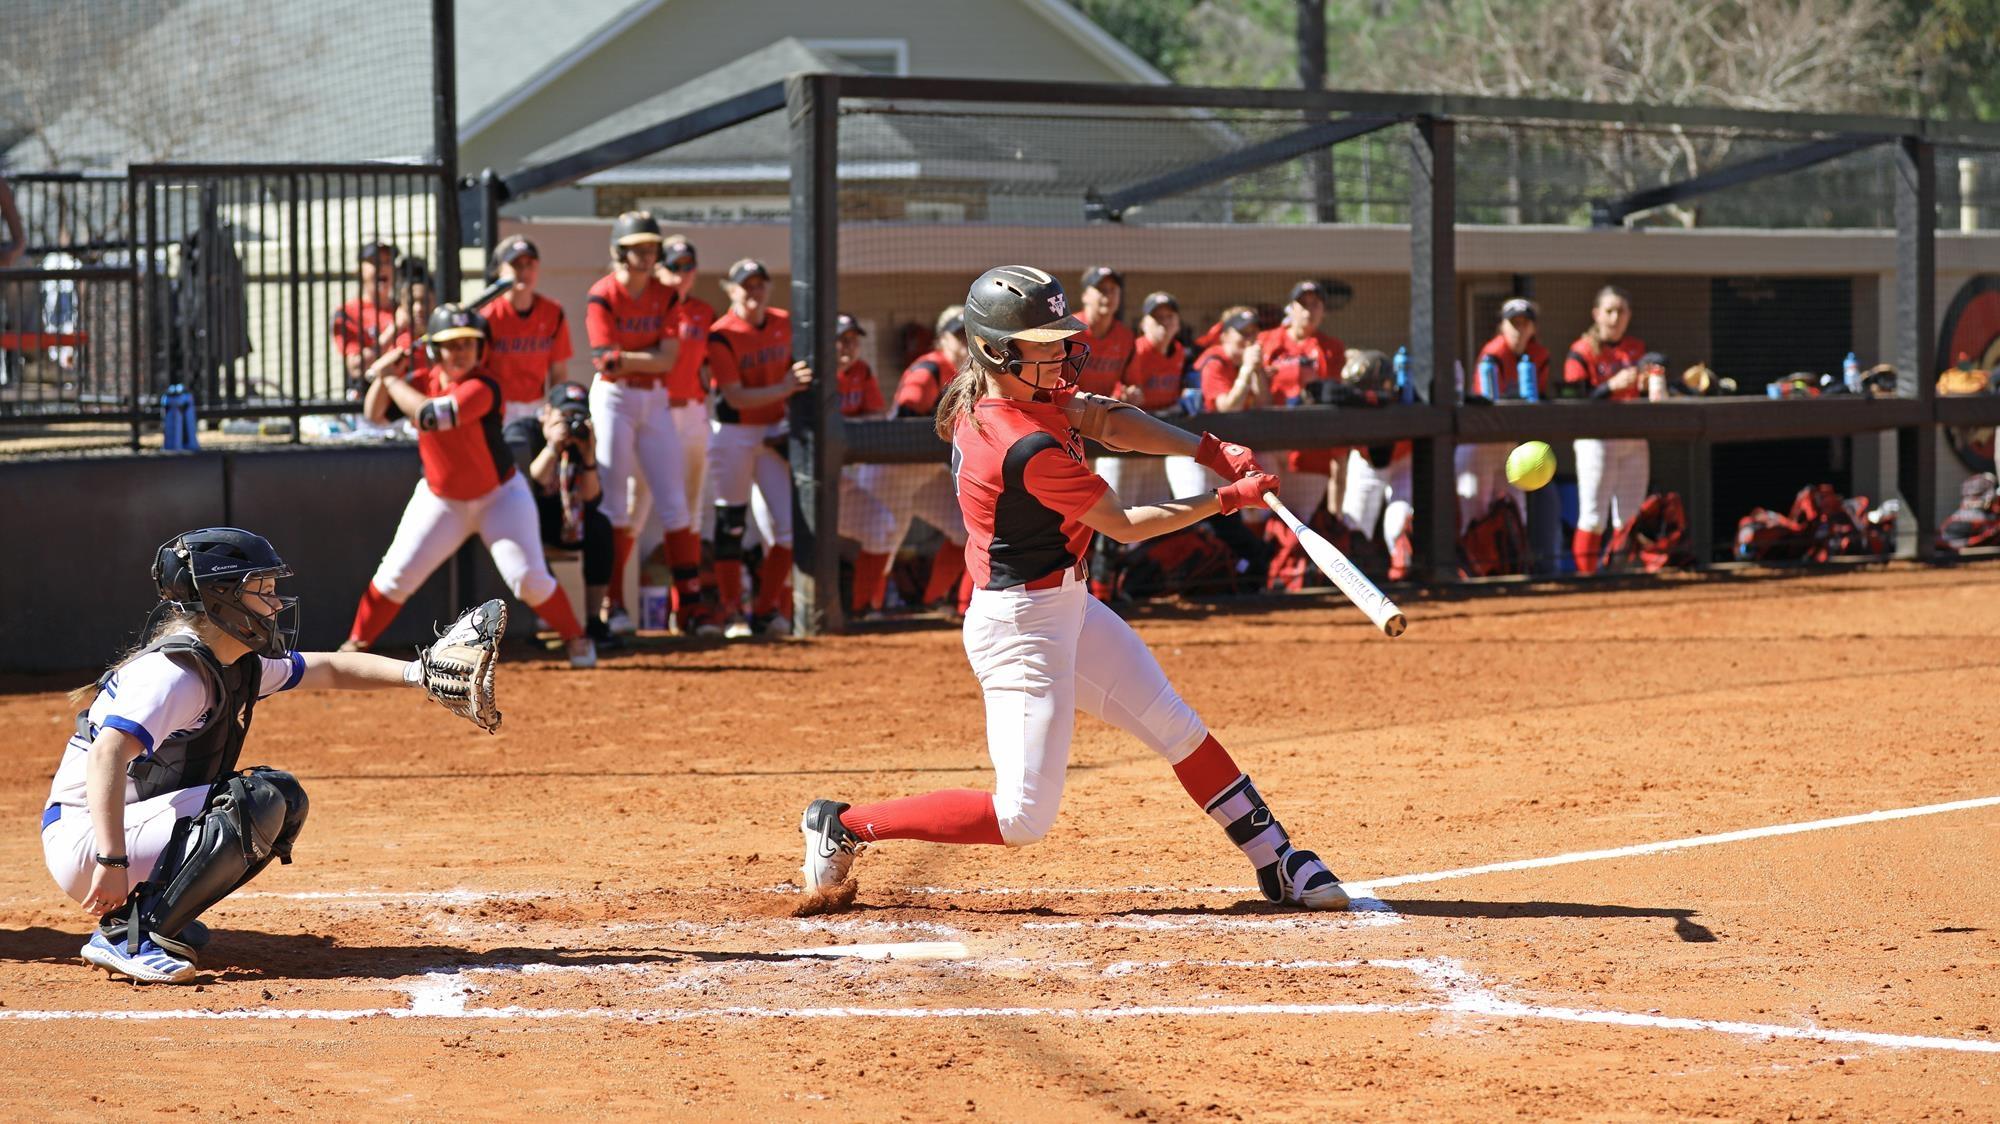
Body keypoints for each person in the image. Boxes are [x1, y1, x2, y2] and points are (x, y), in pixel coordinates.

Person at [798, 265, 1349, 914]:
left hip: (1070, 607)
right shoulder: (1020, 443)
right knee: (1022, 816)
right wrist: (1225, 498)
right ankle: (843, 824)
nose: (1061, 353)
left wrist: (1209, 448)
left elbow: (1109, 420)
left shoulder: (1020, 396)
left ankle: (1277, 860)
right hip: (1021, 629)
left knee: (1176, 726)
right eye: (1044, 342)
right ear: (997, 352)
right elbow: (1125, 524)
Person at [42, 528, 500, 983]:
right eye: (262, 589)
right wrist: (112, 861)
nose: (277, 603)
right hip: (91, 840)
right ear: (220, 597)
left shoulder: (228, 660)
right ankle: (131, 937)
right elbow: (106, 755)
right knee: (253, 802)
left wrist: (418, 673)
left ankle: (153, 910)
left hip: (125, 823)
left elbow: (329, 667)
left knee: (283, 797)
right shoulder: (173, 675)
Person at [341, 303, 596, 667]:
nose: (460, 352)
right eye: (450, 344)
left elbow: (432, 417)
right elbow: (374, 414)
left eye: (467, 343)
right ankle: (355, 646)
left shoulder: (484, 385)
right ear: (435, 350)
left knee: (529, 580)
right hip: (440, 499)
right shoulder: (421, 380)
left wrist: (391, 380)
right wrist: (384, 377)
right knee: (395, 576)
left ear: (480, 348)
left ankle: (576, 639)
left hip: (499, 497)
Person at [585, 212, 703, 634]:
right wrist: (645, 356)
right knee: (614, 501)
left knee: (674, 500)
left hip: (654, 397)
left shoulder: (665, 294)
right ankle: (612, 604)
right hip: (614, 397)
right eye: (638, 247)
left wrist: (630, 357)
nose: (648, 254)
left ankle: (690, 607)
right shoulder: (602, 293)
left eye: (651, 246)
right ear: (620, 250)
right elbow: (604, 360)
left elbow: (669, 359)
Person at [706, 257, 814, 638]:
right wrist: (785, 388)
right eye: (745, 285)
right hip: (733, 432)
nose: (753, 292)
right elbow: (735, 397)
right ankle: (731, 610)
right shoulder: (721, 334)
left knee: (788, 529)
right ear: (731, 290)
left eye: (759, 284)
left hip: (772, 430)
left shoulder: (785, 322)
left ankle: (766, 609)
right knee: (731, 522)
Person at [865, 304, 974, 615]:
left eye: (968, 334)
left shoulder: (973, 374)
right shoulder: (929, 369)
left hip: (928, 474)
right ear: (941, 339)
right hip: (894, 474)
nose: (964, 343)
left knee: (966, 529)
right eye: (957, 335)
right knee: (884, 543)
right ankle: (869, 611)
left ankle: (936, 602)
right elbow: (906, 418)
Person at [504, 381, 618, 647]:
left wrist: (588, 457)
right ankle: (535, 622)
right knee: (527, 534)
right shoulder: (522, 433)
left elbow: (591, 499)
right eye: (564, 415)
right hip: (522, 518)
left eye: (577, 416)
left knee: (600, 526)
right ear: (546, 412)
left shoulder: (581, 440)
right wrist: (552, 447)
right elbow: (525, 485)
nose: (570, 423)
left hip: (562, 520)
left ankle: (594, 622)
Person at [1258, 281, 1348, 576]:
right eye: (1303, 304)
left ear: (1323, 311)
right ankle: (1260, 573)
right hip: (1271, 444)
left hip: (1311, 450)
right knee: (1262, 517)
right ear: (1291, 308)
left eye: (1315, 304)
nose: (1308, 310)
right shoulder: (1266, 341)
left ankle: (1287, 575)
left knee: (1298, 521)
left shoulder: (1331, 348)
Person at [1562, 285, 1648, 575]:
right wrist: (1611, 386)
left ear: (1629, 315)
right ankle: (1587, 580)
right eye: (1609, 311)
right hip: (1596, 441)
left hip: (1633, 438)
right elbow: (1573, 398)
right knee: (1593, 516)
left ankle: (1621, 575)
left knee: (1630, 516)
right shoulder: (1581, 350)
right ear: (1596, 314)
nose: (1615, 317)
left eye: (1621, 311)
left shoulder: (1636, 349)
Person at [1072, 267, 1137, 597]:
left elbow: (1128, 381)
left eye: (1113, 289)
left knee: (1109, 504)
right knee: (1072, 510)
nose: (1107, 295)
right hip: (1068, 426)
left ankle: (1100, 585)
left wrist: (1130, 392)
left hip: (1103, 432)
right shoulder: (1069, 329)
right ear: (1085, 295)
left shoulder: (1125, 337)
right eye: (1099, 289)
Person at [828, 313, 898, 617]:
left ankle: (861, 609)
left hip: (842, 480)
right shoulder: (812, 373)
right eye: (842, 340)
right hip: (796, 482)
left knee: (882, 526)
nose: (848, 347)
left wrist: (846, 427)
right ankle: (773, 615)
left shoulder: (862, 370)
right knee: (783, 543)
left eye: (853, 340)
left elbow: (876, 417)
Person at [1459, 298, 1547, 534]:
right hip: (1480, 444)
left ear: (1533, 328)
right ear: (1502, 326)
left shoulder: (1538, 356)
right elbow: (1489, 403)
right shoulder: (1492, 353)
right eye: (1514, 323)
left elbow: (1539, 400)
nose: (1519, 329)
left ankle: (1513, 558)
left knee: (1516, 511)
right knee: (1476, 513)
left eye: (1525, 323)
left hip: (1511, 445)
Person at [1327, 350, 1416, 580]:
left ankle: (1405, 578)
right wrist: (1335, 514)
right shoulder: (1344, 402)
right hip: (1366, 462)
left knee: (1397, 524)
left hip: (1404, 460)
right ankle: (1360, 580)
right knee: (1354, 524)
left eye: (1364, 386)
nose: (1358, 392)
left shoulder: (1406, 398)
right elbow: (1338, 466)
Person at [484, 235, 574, 425]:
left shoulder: (552, 312)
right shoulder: (488, 316)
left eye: (529, 264)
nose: (524, 271)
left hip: (537, 406)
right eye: (516, 265)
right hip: (497, 407)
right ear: (500, 270)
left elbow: (558, 371)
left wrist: (555, 408)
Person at [331, 238, 398, 389]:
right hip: (364, 394)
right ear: (360, 270)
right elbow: (356, 366)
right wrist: (395, 329)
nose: (382, 267)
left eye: (387, 262)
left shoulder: (403, 310)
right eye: (374, 262)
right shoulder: (348, 312)